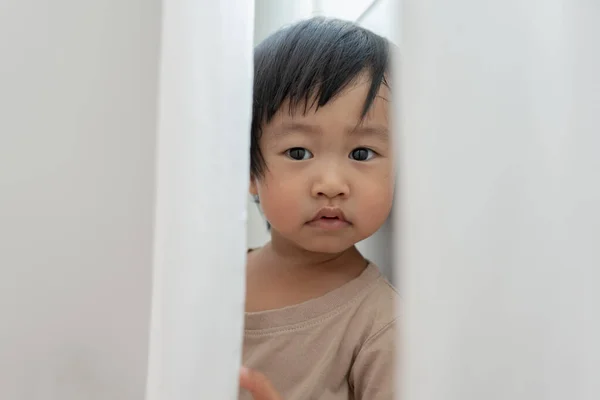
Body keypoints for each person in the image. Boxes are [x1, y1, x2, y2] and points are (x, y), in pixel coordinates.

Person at [239, 16, 399, 400]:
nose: (331, 185)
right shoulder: (208, 280)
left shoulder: (383, 326)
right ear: (249, 171)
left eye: (362, 153)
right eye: (298, 152)